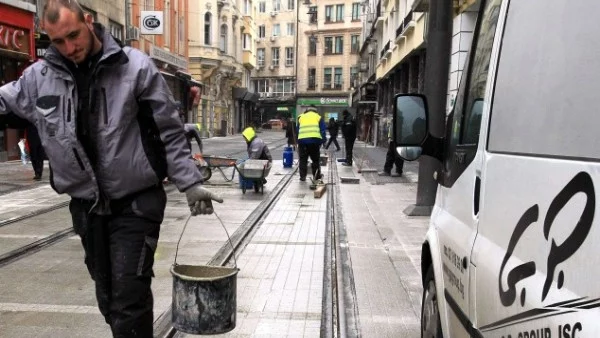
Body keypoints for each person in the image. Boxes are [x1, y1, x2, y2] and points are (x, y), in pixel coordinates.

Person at [0, 1, 223, 336]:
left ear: (88, 21)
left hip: (136, 202)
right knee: (108, 298)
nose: (69, 47)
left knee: (128, 299)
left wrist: (189, 182)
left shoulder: (135, 68)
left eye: (74, 35)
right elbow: (5, 100)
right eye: (59, 41)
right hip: (87, 206)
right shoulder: (39, 78)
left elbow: (170, 131)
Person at [297, 106, 327, 181]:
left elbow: (298, 130)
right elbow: (322, 131)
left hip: (302, 141)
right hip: (314, 141)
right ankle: (316, 176)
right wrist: (323, 142)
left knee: (303, 159)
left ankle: (302, 177)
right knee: (315, 160)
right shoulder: (318, 117)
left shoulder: (301, 117)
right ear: (315, 111)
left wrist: (299, 140)